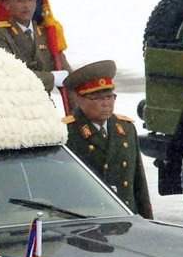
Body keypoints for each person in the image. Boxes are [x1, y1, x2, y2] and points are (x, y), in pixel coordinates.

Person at [63, 60, 153, 218]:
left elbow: (139, 185)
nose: (106, 104)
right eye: (97, 98)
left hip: (125, 218)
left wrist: (147, 222)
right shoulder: (67, 132)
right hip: (88, 220)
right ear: (80, 100)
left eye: (109, 97)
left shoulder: (126, 128)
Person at [0, 0, 72, 93]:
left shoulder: (47, 33)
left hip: (45, 102)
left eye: (30, 0)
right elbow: (10, 75)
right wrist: (51, 78)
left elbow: (67, 73)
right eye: (20, 1)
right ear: (7, 4)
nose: (26, 5)